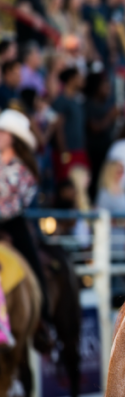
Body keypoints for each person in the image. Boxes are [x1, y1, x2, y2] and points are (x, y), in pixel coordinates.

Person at [0, 110, 51, 347]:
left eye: (2, 132)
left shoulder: (22, 170)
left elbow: (14, 204)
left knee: (31, 261)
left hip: (12, 224)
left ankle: (41, 318)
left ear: (13, 138)